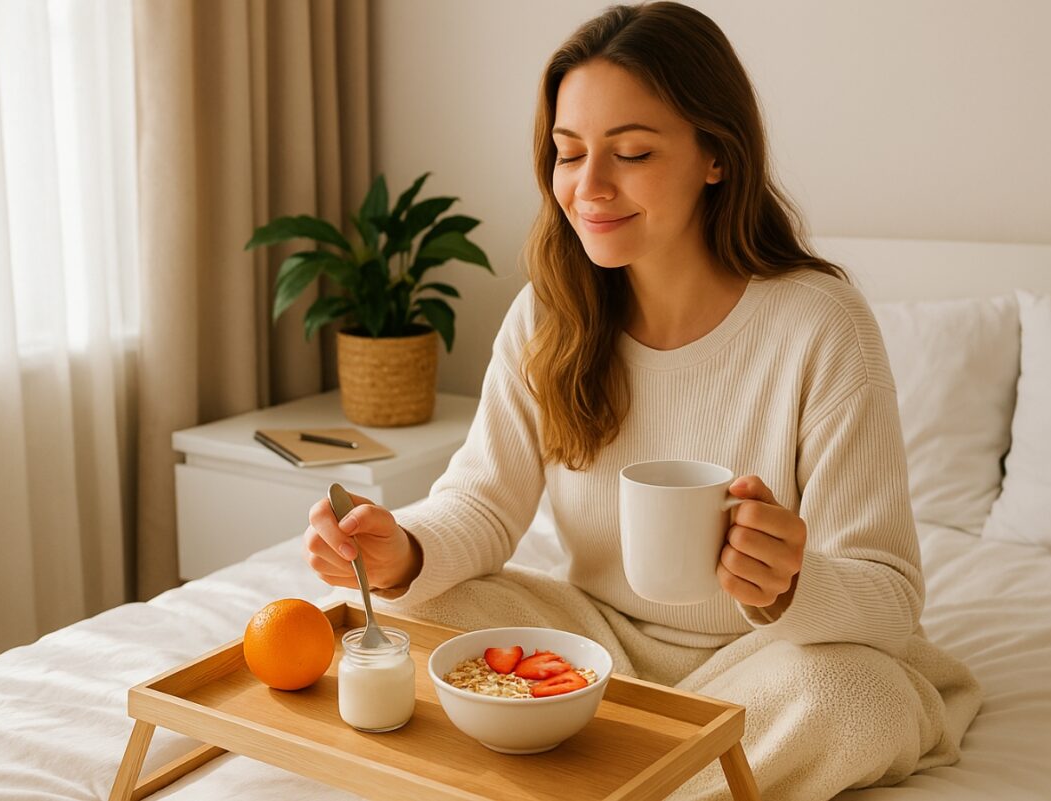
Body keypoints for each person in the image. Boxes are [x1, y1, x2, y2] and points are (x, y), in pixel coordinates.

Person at [302, 3, 981, 798]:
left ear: (715, 157)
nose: (588, 188)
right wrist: (403, 552)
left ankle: (619, 781)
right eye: (567, 154)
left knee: (849, 696)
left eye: (630, 152)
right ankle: (655, 772)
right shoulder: (550, 313)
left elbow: (890, 597)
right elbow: (483, 503)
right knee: (436, 607)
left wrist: (792, 583)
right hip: (600, 649)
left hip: (775, 661)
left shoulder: (819, 324)